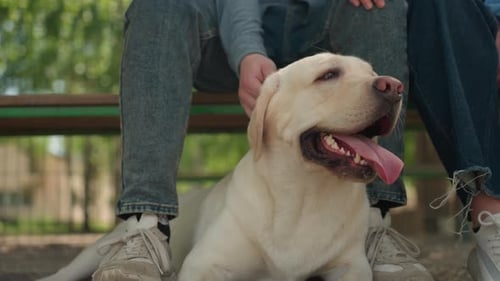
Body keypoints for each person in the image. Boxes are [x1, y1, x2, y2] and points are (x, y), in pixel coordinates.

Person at [36, 0, 500, 281]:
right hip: (222, 26)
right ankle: (145, 226)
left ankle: (375, 224)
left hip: (323, 27)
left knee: (377, 3)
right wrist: (249, 51)